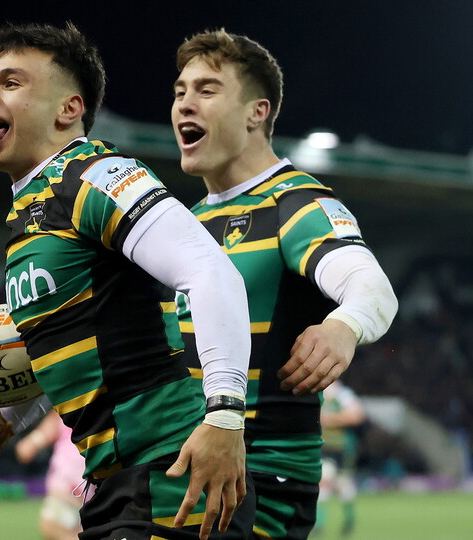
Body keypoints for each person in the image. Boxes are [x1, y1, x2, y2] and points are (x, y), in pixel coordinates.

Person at [0, 21, 255, 540]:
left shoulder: (93, 174)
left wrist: (224, 415)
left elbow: (211, 271)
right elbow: (84, 349)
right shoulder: (31, 213)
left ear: (68, 109)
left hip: (171, 479)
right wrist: (10, 418)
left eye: (11, 82)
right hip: (118, 484)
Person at [170, 30, 398, 540]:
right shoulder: (183, 223)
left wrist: (342, 326)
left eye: (206, 90)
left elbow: (371, 285)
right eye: (180, 91)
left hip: (259, 481)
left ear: (257, 112)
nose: (185, 103)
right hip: (184, 470)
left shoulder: (295, 203)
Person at [16, 412, 86, 540]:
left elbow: (26, 448)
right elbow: (28, 447)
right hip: (70, 489)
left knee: (52, 526)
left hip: (85, 487)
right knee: (52, 525)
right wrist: (32, 442)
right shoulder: (63, 413)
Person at [316, 381, 364, 537]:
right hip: (324, 447)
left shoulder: (342, 393)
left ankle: (349, 519)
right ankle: (319, 524)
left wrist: (329, 419)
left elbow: (356, 416)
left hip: (342, 448)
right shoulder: (317, 389)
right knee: (322, 481)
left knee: (343, 484)